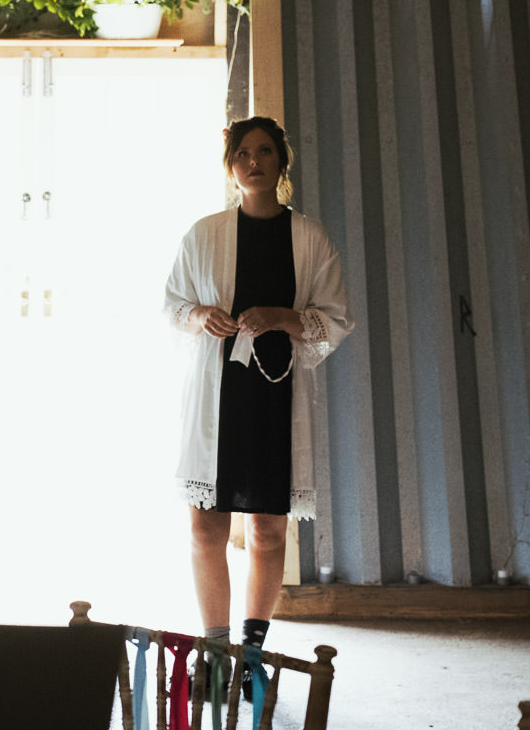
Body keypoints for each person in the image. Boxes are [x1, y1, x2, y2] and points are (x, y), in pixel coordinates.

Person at [162, 115, 353, 688]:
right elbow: (171, 305)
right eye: (243, 153)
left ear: (281, 162)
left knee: (269, 532)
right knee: (204, 529)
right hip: (216, 397)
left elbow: (336, 319)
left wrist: (284, 318)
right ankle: (214, 654)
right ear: (231, 165)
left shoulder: (309, 237)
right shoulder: (204, 234)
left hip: (276, 397)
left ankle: (251, 656)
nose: (253, 161)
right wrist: (201, 315)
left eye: (265, 151)